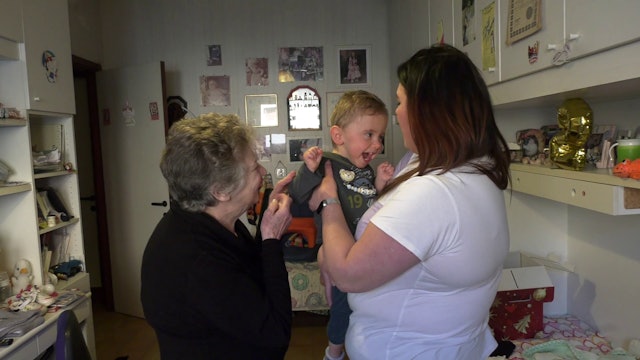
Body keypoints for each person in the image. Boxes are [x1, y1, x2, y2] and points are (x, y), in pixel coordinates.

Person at [309, 44, 511, 359]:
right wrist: (327, 251)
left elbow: (349, 273)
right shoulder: (461, 165)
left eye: (401, 102)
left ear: (426, 111)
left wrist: (329, 201)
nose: (396, 114)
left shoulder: (436, 193)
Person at [140, 113, 296, 359]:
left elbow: (248, 273)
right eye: (255, 167)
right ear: (221, 190)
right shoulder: (196, 259)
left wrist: (266, 226)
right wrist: (272, 241)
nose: (263, 171)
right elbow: (275, 335)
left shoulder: (216, 222)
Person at [288, 90, 394, 360]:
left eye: (380, 137)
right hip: (339, 248)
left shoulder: (365, 170)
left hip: (363, 245)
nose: (377, 144)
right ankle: (333, 351)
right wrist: (307, 169)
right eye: (369, 134)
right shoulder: (326, 163)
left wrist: (380, 185)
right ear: (338, 136)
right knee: (343, 304)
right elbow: (301, 196)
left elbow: (370, 202)